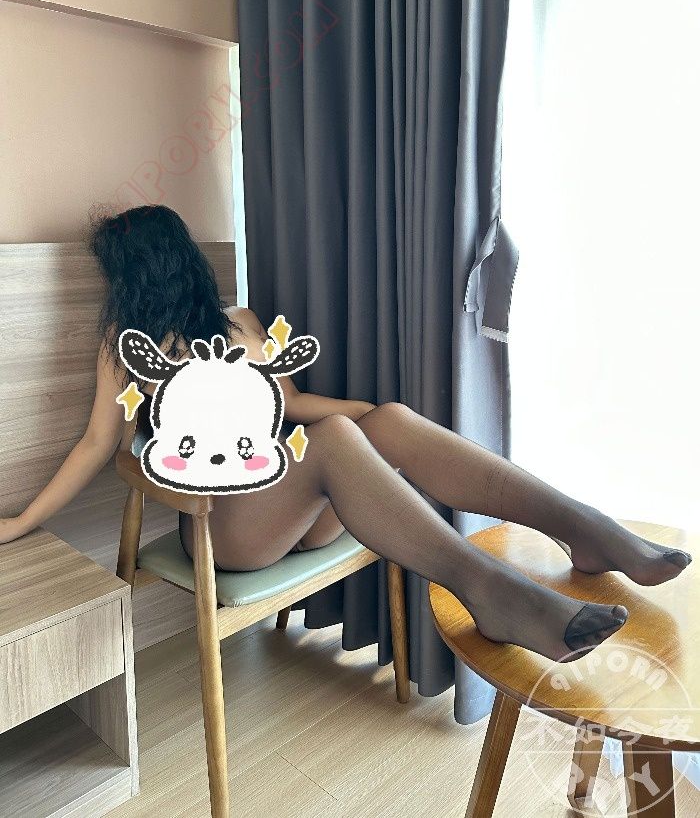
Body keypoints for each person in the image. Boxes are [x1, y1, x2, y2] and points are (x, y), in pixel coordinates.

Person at [1, 205, 691, 664]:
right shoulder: (125, 349)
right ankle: (493, 592)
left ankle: (583, 528)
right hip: (230, 528)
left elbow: (294, 404)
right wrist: (25, 520)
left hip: (301, 509)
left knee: (376, 419)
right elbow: (99, 446)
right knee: (334, 436)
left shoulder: (241, 321)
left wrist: (379, 420)